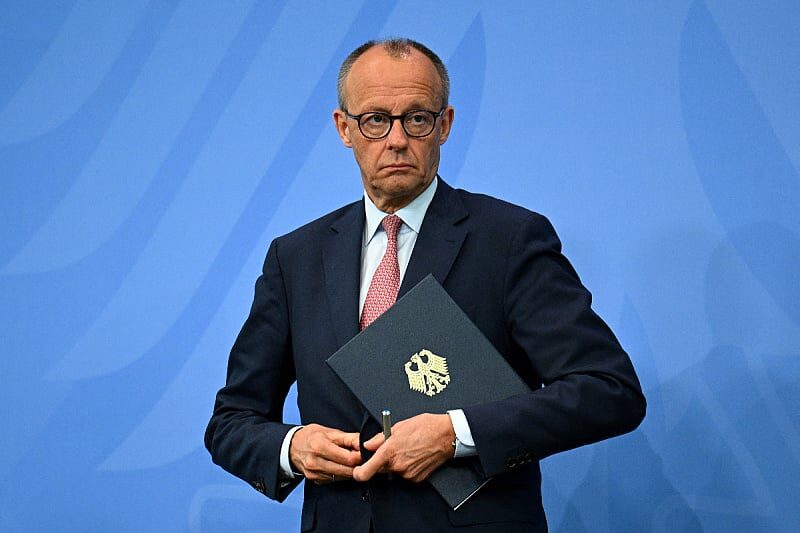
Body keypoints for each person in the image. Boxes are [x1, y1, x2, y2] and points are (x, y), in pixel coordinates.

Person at [205, 38, 646, 532]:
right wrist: (293, 448)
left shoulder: (509, 240)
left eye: (416, 118)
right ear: (344, 128)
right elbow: (231, 422)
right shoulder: (296, 257)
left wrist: (456, 434)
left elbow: (608, 390)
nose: (396, 140)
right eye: (375, 120)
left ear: (445, 125)